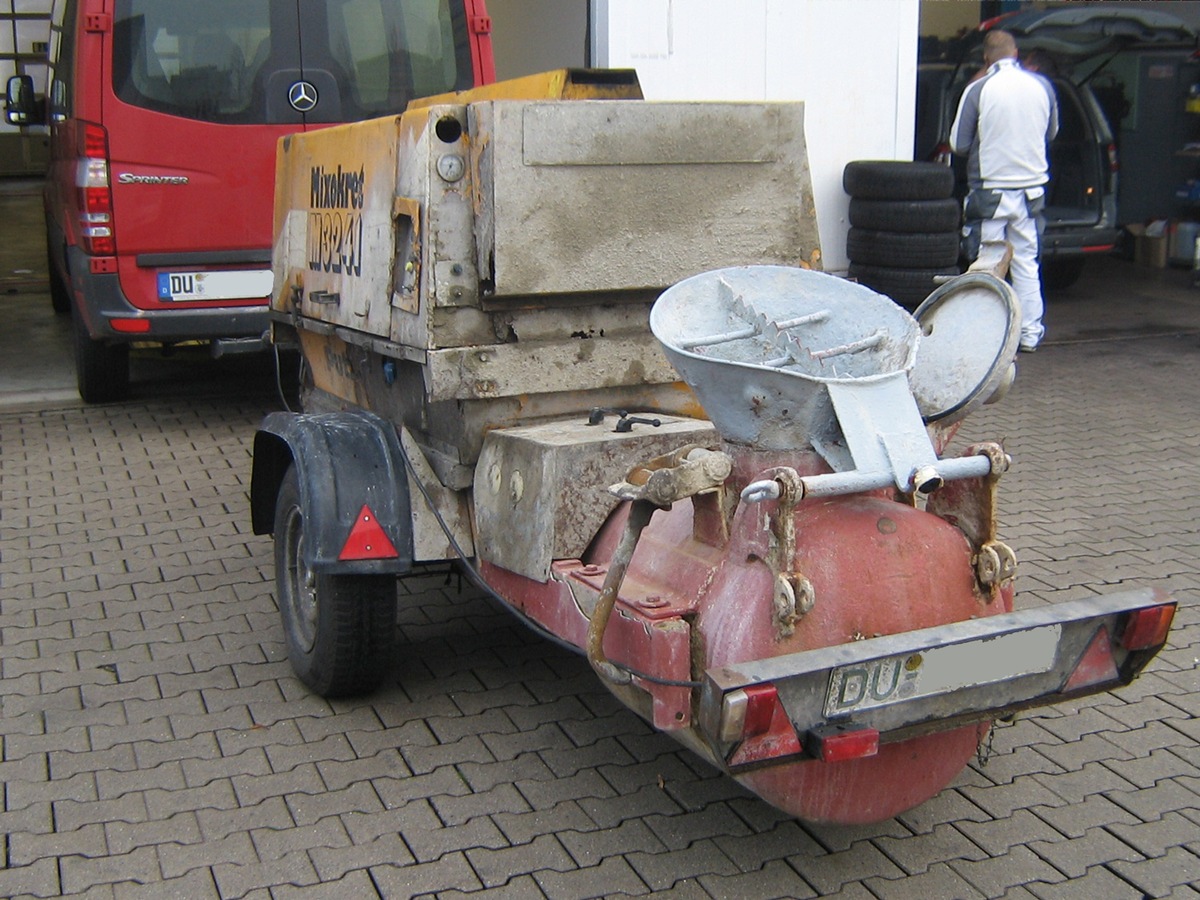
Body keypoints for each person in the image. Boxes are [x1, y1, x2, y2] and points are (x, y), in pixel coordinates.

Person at [950, 29, 1059, 352]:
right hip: (1032, 193)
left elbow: (959, 143)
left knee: (988, 262)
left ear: (986, 58)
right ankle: (1029, 334)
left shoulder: (978, 89)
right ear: (1017, 54)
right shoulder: (1043, 87)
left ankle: (989, 337)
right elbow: (1051, 133)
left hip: (990, 193)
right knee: (1027, 261)